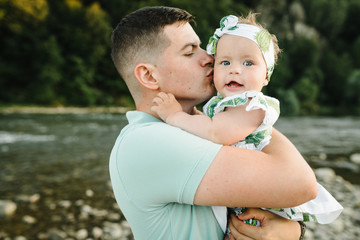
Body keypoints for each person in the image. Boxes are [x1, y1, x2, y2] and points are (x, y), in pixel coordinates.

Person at [109, 6, 318, 240]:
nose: (210, 58)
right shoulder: (147, 142)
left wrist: (292, 230)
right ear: (149, 76)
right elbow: (301, 184)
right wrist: (252, 106)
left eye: (203, 48)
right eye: (190, 52)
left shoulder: (193, 128)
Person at [151, 13, 343, 232]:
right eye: (224, 62)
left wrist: (175, 116)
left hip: (258, 197)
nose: (234, 69)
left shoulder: (252, 105)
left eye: (248, 63)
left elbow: (217, 134)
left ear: (266, 77)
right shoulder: (228, 105)